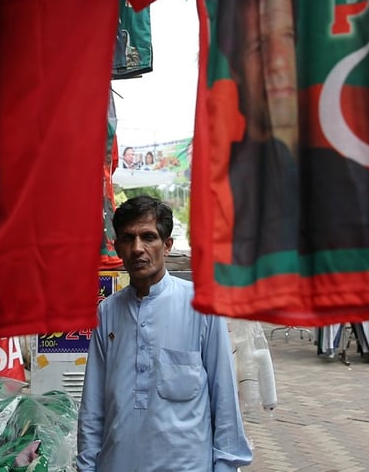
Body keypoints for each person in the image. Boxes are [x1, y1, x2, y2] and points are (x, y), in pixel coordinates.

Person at [217, 0, 369, 265]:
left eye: (287, 37)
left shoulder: (350, 177)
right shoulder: (225, 190)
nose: (277, 62)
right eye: (259, 45)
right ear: (234, 68)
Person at [77, 195, 252, 471]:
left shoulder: (201, 307)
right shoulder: (107, 312)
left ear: (167, 245)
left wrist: (226, 465)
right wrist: (86, 465)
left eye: (148, 237)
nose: (137, 249)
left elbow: (224, 397)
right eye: (128, 238)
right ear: (117, 247)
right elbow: (93, 405)